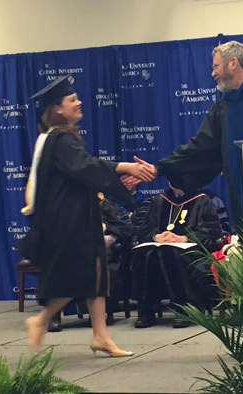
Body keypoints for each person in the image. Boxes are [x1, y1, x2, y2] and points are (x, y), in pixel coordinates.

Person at [17, 75, 154, 356]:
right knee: (82, 273)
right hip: (69, 222)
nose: (79, 103)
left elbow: (84, 174)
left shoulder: (58, 138)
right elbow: (86, 168)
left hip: (79, 216)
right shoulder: (60, 138)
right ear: (57, 108)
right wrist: (124, 167)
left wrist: (120, 180)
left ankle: (101, 336)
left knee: (97, 274)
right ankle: (41, 319)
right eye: (72, 100)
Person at [125, 40, 243, 225]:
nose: (213, 73)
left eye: (216, 66)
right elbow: (200, 148)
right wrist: (160, 168)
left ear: (233, 63)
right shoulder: (224, 106)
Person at [132, 183, 222, 328]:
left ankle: (184, 310)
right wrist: (156, 237)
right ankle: (146, 311)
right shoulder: (159, 201)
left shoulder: (202, 200)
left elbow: (212, 231)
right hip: (159, 247)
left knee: (171, 253)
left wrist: (185, 238)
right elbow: (144, 230)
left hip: (191, 252)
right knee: (143, 255)